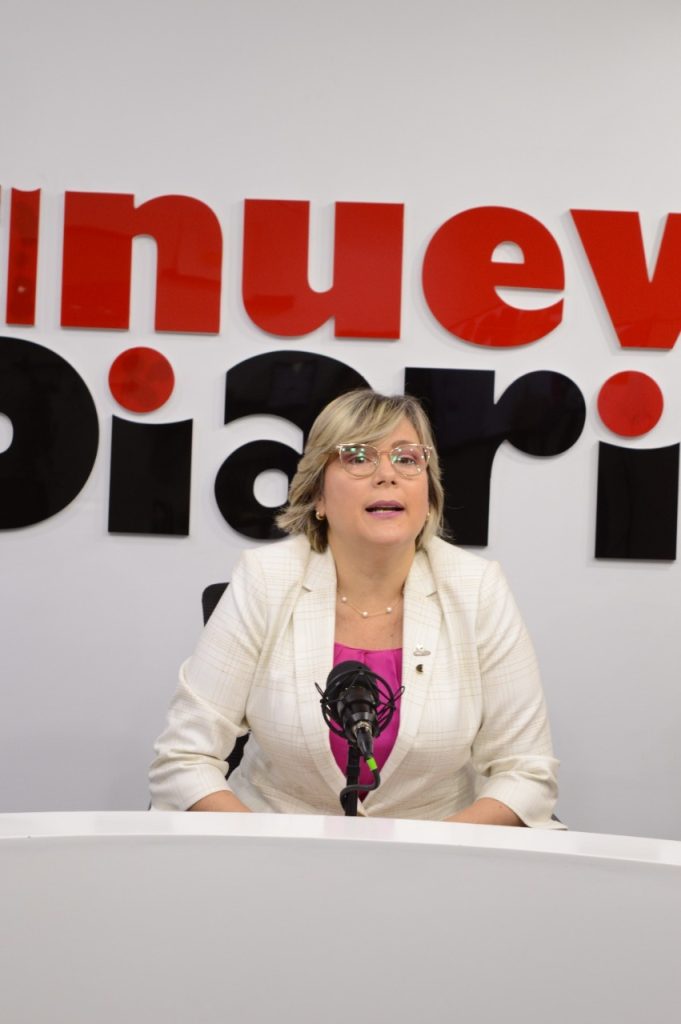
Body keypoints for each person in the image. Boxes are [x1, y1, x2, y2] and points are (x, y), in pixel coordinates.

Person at [150, 389, 562, 827]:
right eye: (358, 457)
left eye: (407, 459)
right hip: (278, 844)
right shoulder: (265, 580)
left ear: (428, 496)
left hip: (438, 850)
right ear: (318, 496)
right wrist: (270, 848)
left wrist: (430, 854)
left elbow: (527, 773)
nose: (387, 475)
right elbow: (184, 759)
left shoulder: (477, 589)